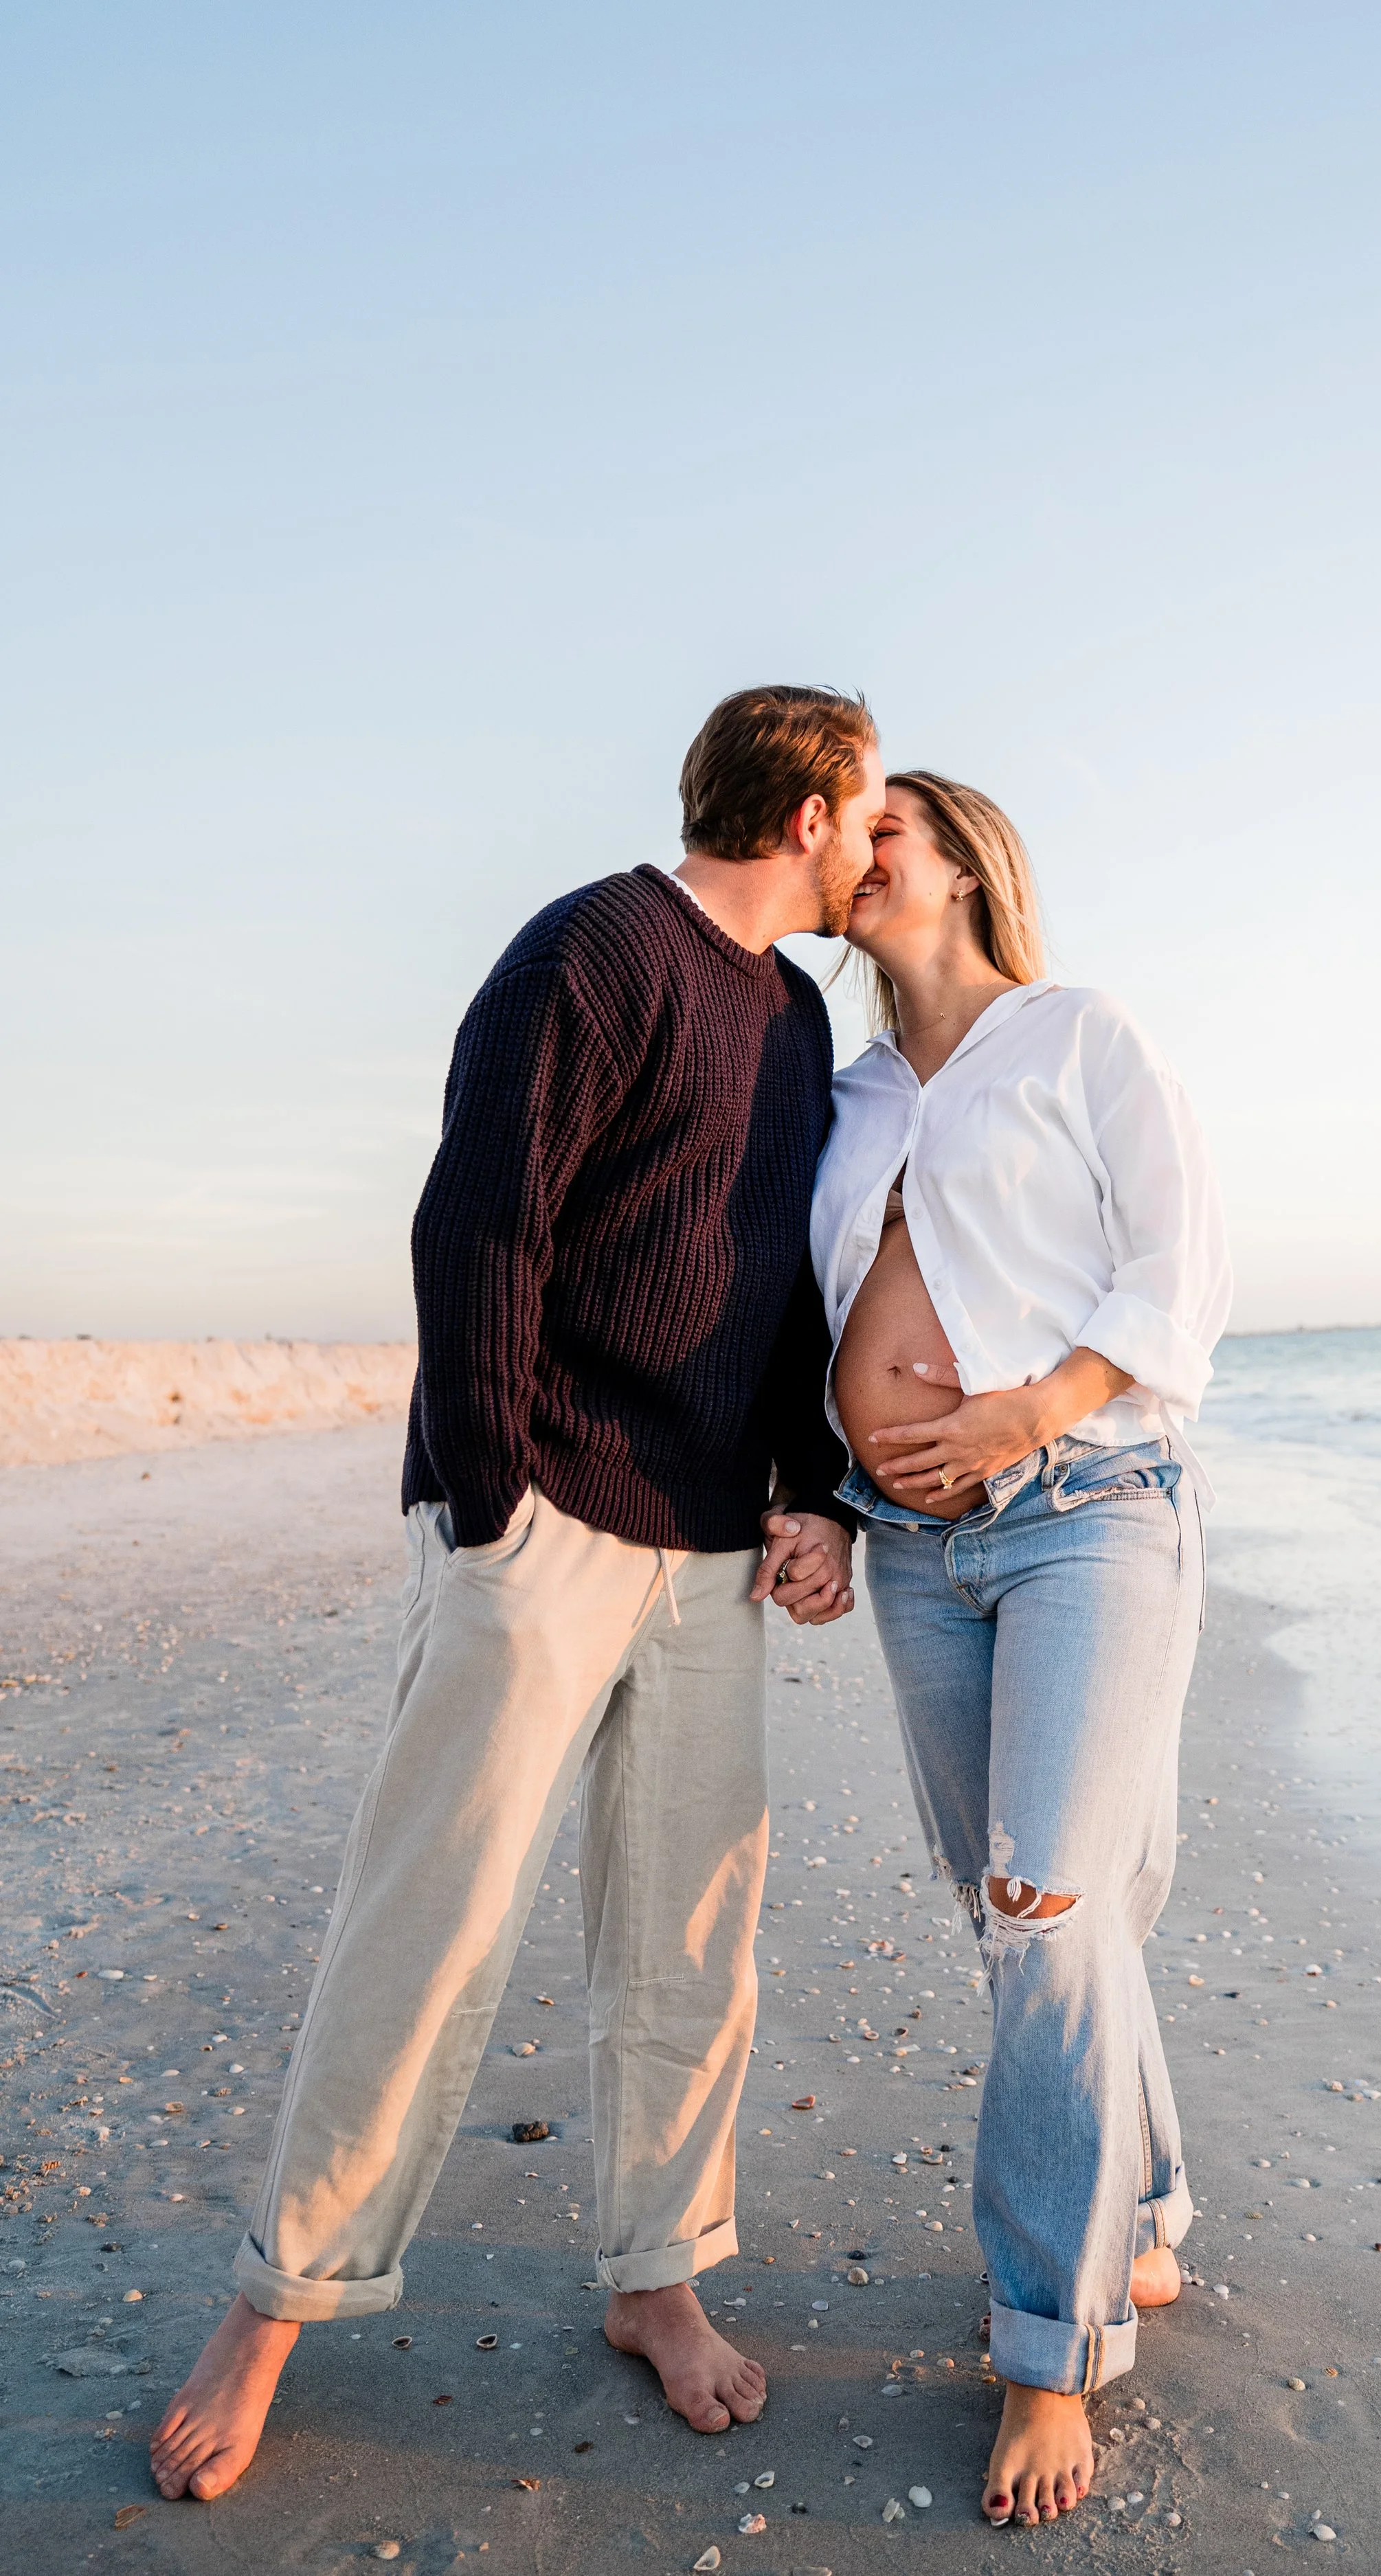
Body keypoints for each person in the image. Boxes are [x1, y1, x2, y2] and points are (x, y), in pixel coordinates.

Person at [151, 685, 878, 2503]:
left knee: (689, 1939)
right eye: (868, 814)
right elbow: (477, 1222)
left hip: (710, 1546)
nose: (878, 848)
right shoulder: (594, 945)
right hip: (542, 1514)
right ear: (805, 813)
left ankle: (659, 2274)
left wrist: (813, 1495)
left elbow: (781, 1292)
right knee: (432, 1922)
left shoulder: (794, 1015)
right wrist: (487, 1502)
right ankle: (276, 2298)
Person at [809, 771, 1231, 2528]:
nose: (852, 846)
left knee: (1047, 1903)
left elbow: (1181, 1262)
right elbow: (802, 1314)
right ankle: (1135, 2204)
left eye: (882, 823)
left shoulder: (1075, 1035)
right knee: (1027, 1917)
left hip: (1085, 1507)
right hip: (907, 1549)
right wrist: (820, 1496)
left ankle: (1043, 2356)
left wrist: (1023, 1413)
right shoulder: (831, 1093)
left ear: (964, 857)